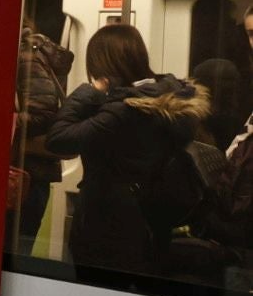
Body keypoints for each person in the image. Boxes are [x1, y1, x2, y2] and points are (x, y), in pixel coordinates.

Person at [46, 24, 207, 278]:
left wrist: (90, 90)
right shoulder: (168, 99)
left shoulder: (122, 111)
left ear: (102, 65)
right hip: (153, 222)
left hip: (108, 227)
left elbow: (58, 140)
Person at [13, 24, 73, 254]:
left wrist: (3, 123)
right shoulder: (25, 56)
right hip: (27, 173)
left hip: (27, 175)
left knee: (15, 250)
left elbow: (43, 114)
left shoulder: (27, 59)